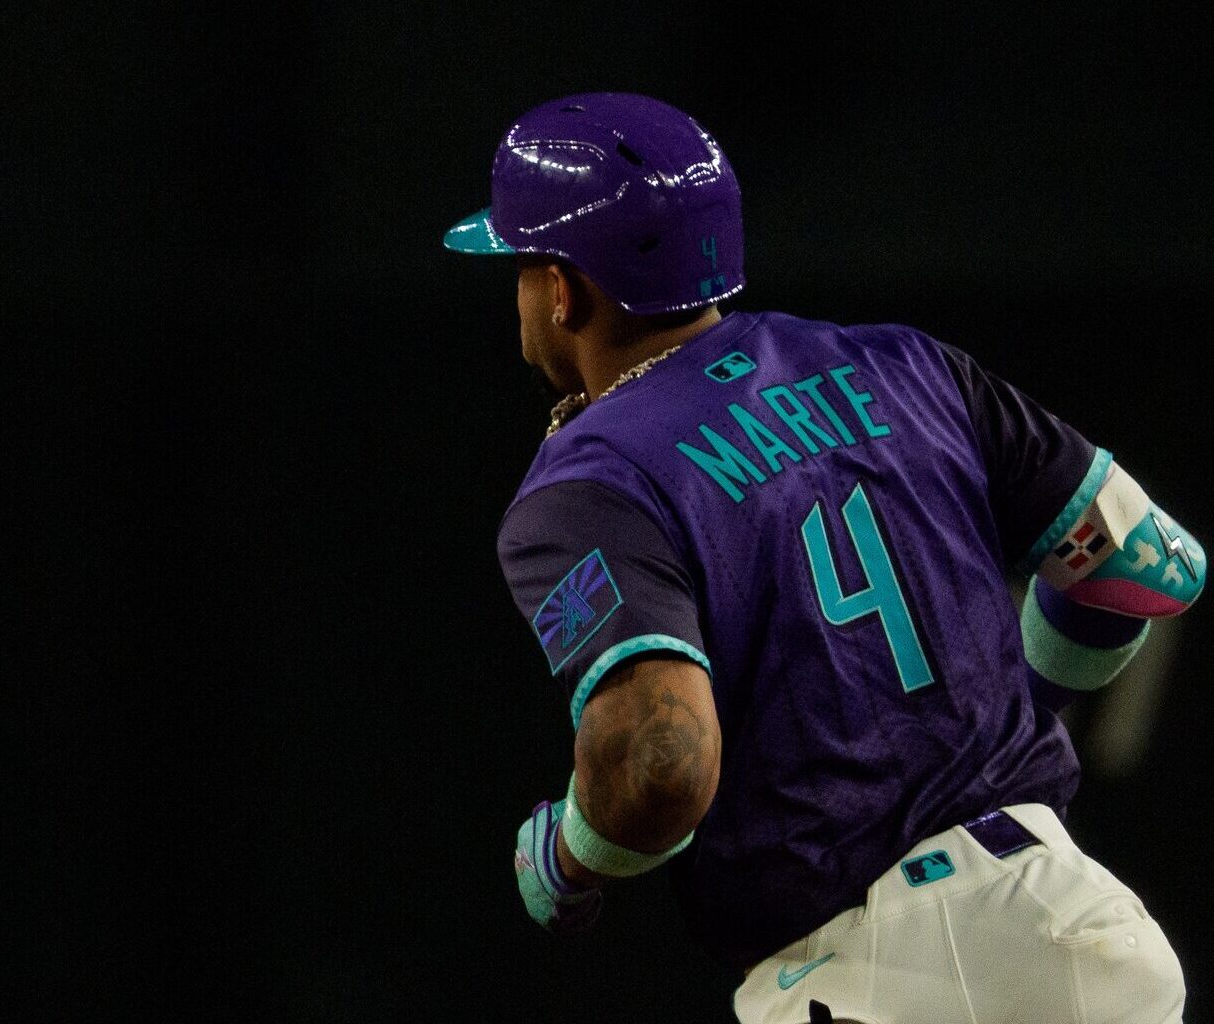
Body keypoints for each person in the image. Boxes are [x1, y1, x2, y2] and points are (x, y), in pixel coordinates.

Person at [444, 92, 1203, 1023]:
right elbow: (1148, 569)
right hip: (1079, 932)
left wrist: (568, 854)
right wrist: (1025, 702)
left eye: (523, 264)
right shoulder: (903, 361)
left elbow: (662, 762)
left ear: (564, 289)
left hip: (864, 978)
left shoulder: (588, 483)